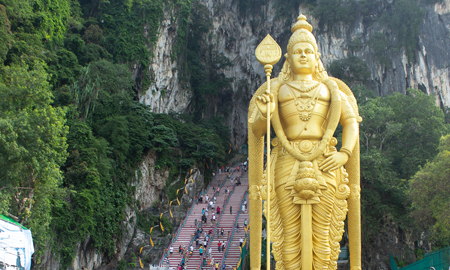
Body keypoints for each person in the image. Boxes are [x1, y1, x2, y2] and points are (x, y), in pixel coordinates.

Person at [248, 15, 361, 269]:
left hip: (325, 161)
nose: (302, 55)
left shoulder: (331, 89)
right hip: (287, 160)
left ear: (317, 56)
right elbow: (256, 131)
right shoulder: (275, 89)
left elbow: (351, 121)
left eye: (308, 51)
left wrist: (344, 153)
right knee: (289, 237)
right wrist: (266, 113)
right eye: (297, 51)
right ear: (287, 58)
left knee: (323, 237)